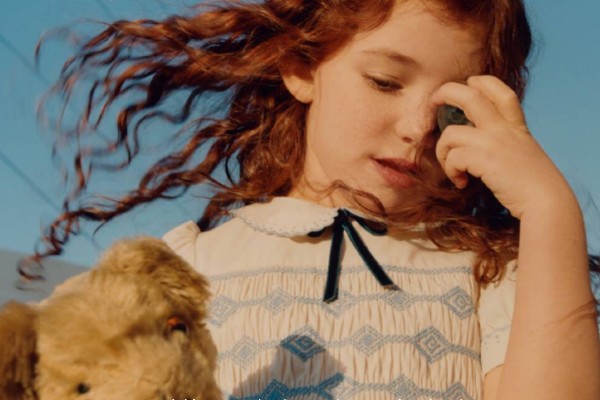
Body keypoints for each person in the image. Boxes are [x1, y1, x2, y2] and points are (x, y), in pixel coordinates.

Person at [31, 0, 600, 398]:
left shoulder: (493, 275)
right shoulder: (185, 268)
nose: (416, 129)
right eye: (385, 81)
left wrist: (549, 209)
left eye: (453, 108)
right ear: (302, 67)